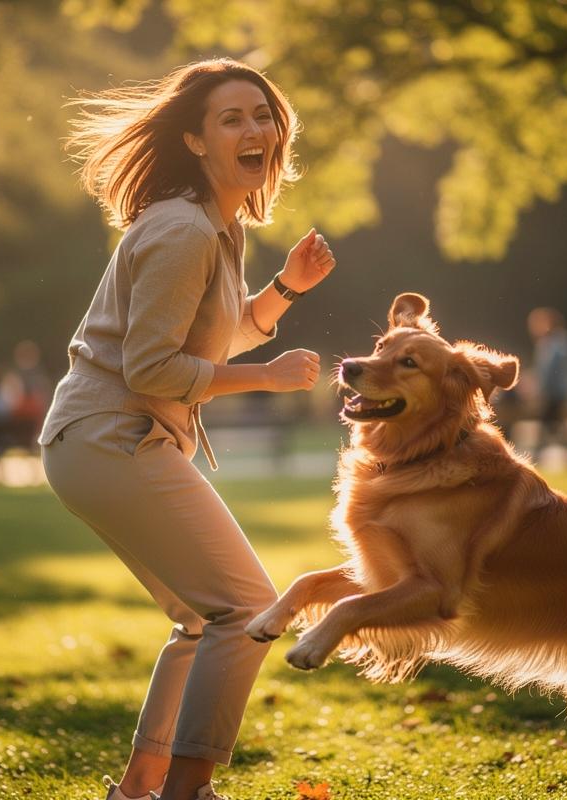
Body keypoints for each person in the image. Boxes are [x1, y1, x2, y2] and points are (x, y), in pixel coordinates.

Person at [38, 59, 337, 800]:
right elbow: (152, 370)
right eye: (231, 118)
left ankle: (140, 790)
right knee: (245, 609)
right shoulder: (184, 229)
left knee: (204, 620)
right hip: (114, 435)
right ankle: (186, 791)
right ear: (197, 142)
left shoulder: (209, 225)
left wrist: (287, 288)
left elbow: (206, 340)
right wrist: (266, 380)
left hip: (99, 440)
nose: (253, 129)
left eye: (262, 115)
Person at [527, 307, 567, 467]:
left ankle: (536, 460)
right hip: (559, 393)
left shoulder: (553, 343)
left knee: (548, 425)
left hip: (554, 394)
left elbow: (549, 371)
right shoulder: (562, 341)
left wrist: (539, 390)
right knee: (556, 426)